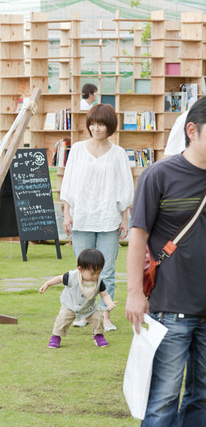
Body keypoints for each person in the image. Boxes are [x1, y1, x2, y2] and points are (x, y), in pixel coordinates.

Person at [125, 96, 206, 425]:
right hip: (169, 307)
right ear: (192, 130)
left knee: (202, 397)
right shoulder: (159, 175)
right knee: (163, 399)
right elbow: (137, 236)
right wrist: (134, 292)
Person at [60, 104, 133, 331]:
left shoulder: (119, 154)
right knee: (83, 271)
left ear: (109, 126)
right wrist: (67, 214)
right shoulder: (79, 150)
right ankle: (83, 314)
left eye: (101, 124)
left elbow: (124, 187)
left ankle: (105, 317)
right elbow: (68, 185)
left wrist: (124, 217)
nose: (96, 128)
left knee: (107, 271)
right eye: (92, 123)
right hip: (82, 218)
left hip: (108, 218)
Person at [39, 249, 116, 348]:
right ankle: (56, 337)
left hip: (89, 308)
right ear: (80, 269)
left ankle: (99, 336)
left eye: (99, 272)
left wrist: (109, 303)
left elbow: (104, 294)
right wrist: (47, 284)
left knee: (98, 318)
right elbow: (59, 278)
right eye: (92, 273)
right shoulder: (71, 276)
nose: (96, 276)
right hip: (70, 305)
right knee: (62, 320)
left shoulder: (99, 281)